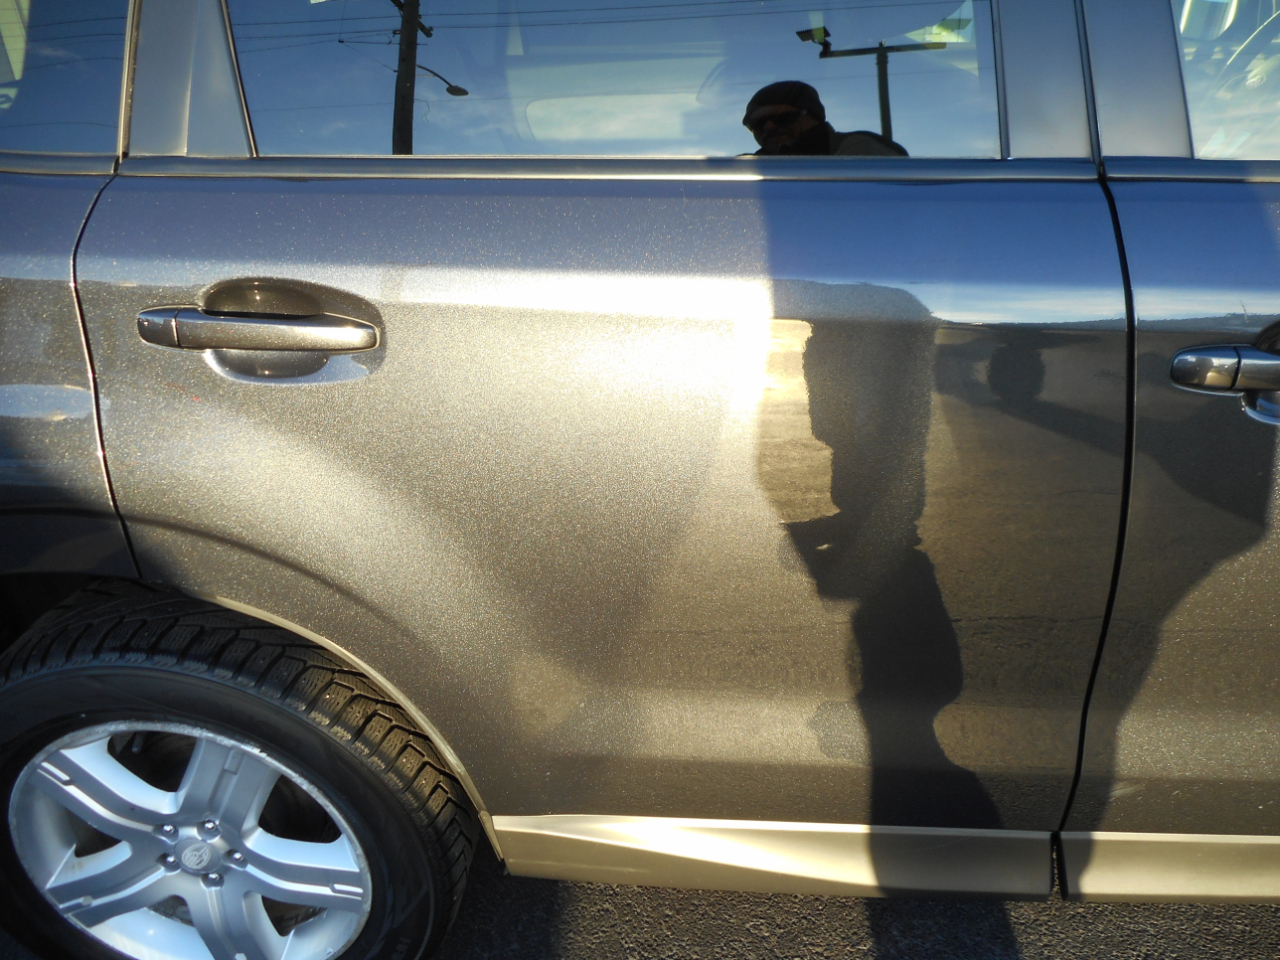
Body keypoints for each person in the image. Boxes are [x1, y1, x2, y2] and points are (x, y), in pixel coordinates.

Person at [742, 80, 907, 156]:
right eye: (758, 123)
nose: (769, 127)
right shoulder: (745, 170)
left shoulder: (857, 151)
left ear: (813, 117)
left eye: (782, 118)